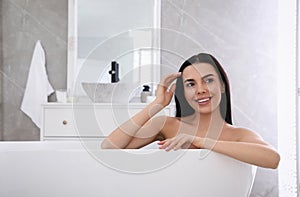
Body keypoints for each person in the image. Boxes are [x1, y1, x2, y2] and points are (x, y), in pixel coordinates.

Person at [101, 53, 280, 169]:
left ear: (223, 86)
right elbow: (109, 147)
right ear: (183, 92)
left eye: (208, 81)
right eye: (191, 84)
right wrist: (157, 104)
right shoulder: (167, 125)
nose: (200, 89)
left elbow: (272, 159)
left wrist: (199, 140)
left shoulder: (239, 135)